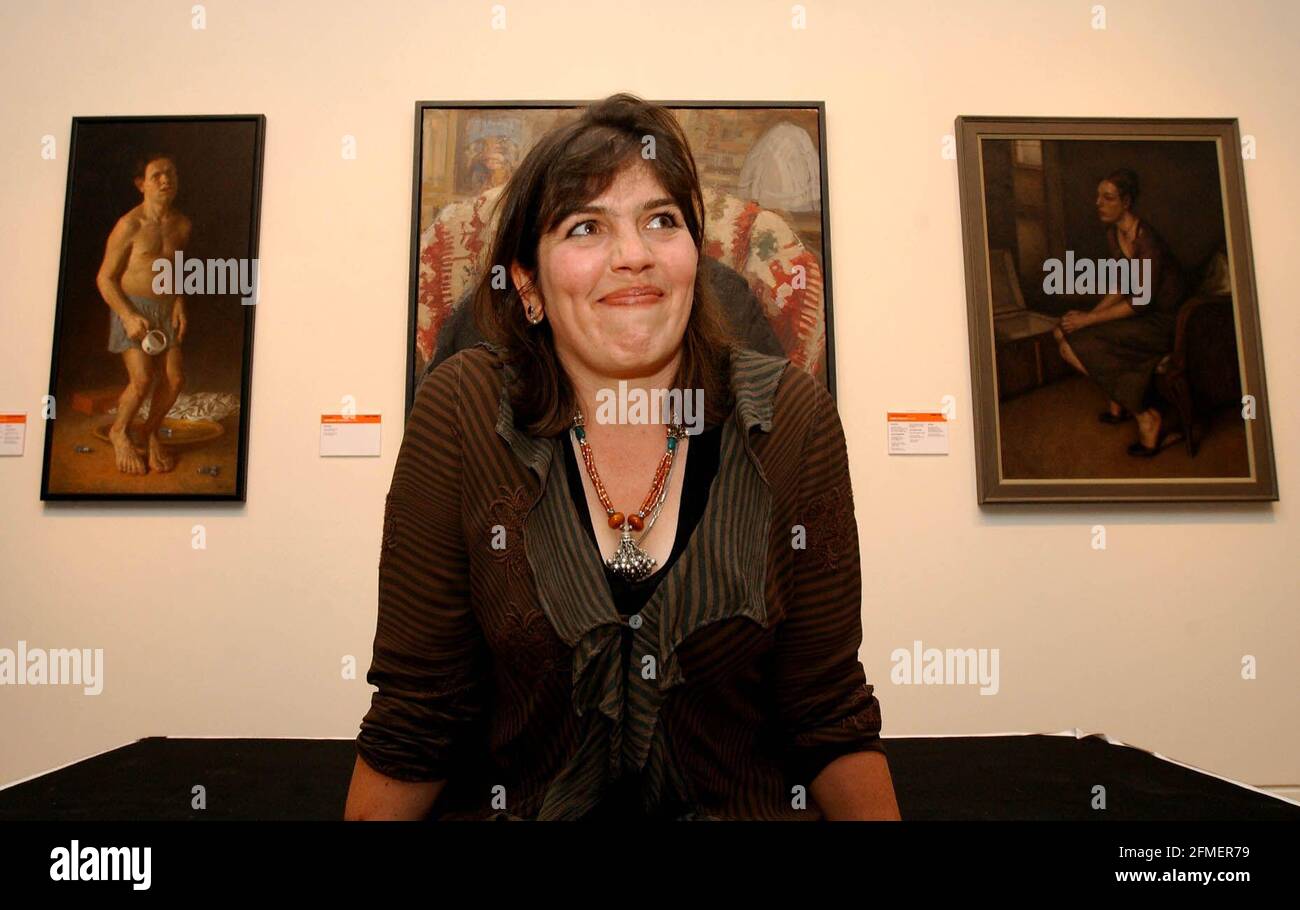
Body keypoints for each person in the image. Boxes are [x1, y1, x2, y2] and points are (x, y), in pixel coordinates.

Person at [345, 93, 899, 821]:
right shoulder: (463, 414)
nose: (633, 254)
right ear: (530, 285)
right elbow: (419, 715)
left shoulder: (793, 421)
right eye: (585, 227)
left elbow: (826, 710)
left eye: (661, 221)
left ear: (693, 258)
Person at [1052, 168, 1186, 456]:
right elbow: (1123, 285)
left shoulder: (1148, 241)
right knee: (1063, 333)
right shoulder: (1115, 234)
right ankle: (1121, 399)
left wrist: (1089, 320)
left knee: (1073, 346)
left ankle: (1145, 416)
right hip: (1140, 316)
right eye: (1098, 196)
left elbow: (1141, 301)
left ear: (1126, 202)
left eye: (1107, 197)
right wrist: (1085, 317)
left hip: (1166, 323)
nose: (1098, 203)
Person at [95, 152, 190, 474]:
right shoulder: (129, 225)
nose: (166, 180)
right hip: (133, 308)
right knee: (142, 379)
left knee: (175, 380)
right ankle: (119, 431)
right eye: (157, 176)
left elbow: (175, 269)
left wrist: (179, 303)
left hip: (165, 311)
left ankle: (147, 432)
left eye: (171, 174)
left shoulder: (182, 224)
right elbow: (104, 278)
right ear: (141, 184)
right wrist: (127, 316)